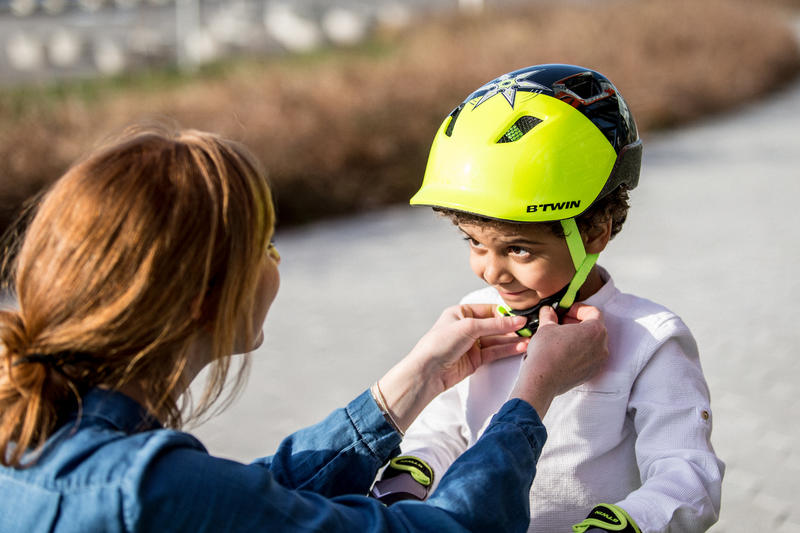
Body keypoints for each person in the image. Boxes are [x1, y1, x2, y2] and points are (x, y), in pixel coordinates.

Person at [0, 124, 610, 532]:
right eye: (264, 245)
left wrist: (414, 381)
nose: (277, 261)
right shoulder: (147, 491)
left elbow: (254, 499)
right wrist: (531, 398)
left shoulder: (42, 435)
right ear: (204, 299)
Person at [372, 64, 725, 532]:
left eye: (518, 249)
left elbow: (687, 474)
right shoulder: (477, 317)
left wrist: (623, 523)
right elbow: (444, 429)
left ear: (595, 230)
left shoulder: (651, 339)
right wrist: (410, 473)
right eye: (474, 242)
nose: (492, 270)